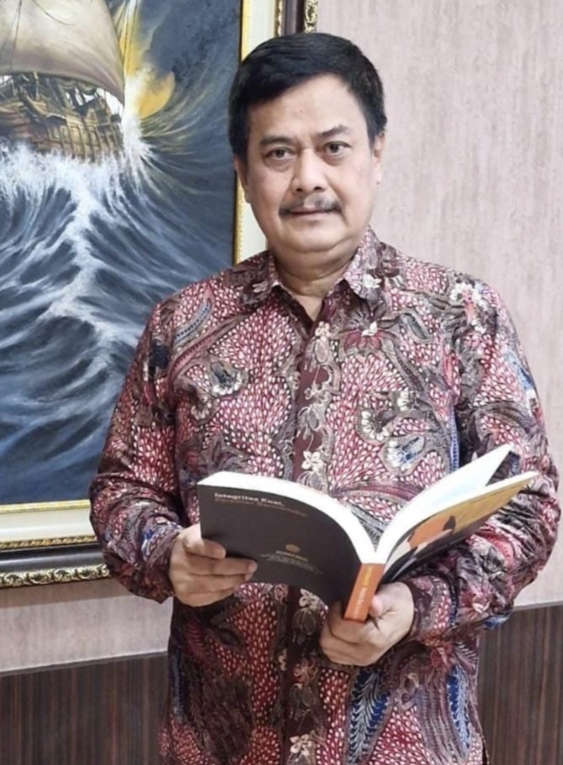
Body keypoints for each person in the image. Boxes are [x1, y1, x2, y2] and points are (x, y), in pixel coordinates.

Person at [89, 32, 560, 765]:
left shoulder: (460, 316)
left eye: (333, 148)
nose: (308, 178)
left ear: (377, 153)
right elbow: (123, 491)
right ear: (244, 173)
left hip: (406, 744)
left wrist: (416, 606)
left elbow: (529, 505)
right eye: (278, 153)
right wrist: (166, 553)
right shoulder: (182, 326)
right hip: (222, 745)